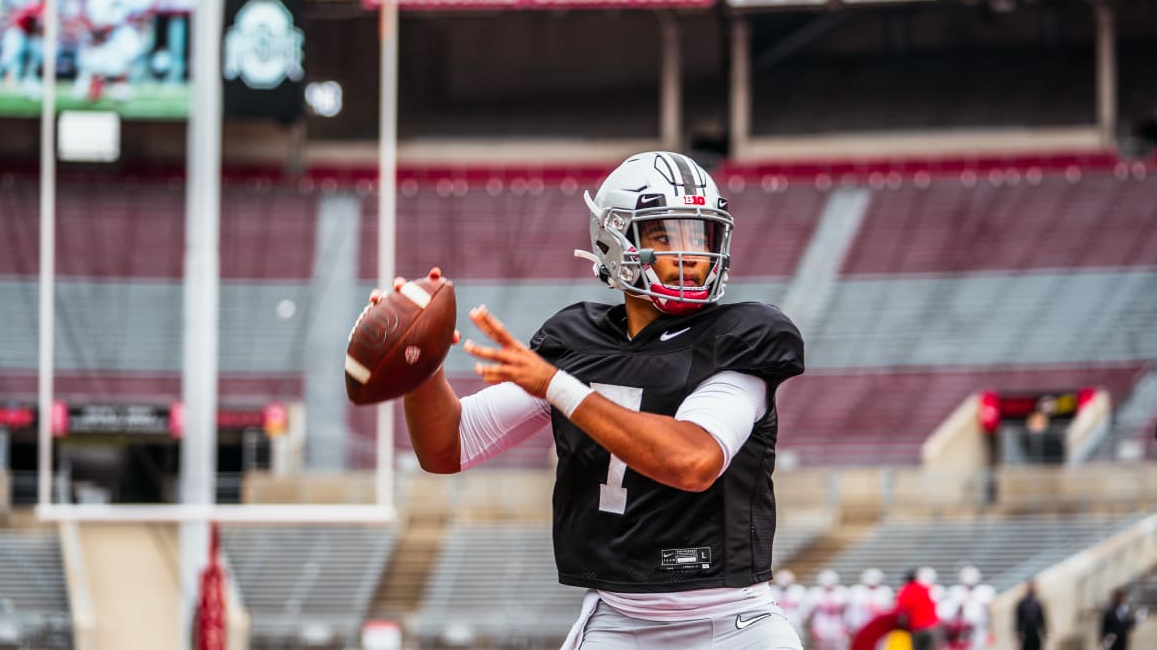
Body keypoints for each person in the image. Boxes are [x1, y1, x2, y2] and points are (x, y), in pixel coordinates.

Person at [368, 151, 806, 649]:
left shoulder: (744, 336)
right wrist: (420, 363)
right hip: (618, 623)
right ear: (612, 241)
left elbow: (694, 460)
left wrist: (556, 385)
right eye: (664, 235)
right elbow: (448, 446)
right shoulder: (577, 342)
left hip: (733, 625)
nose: (689, 255)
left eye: (699, 236)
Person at [896, 568, 942, 650]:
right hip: (932, 627)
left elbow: (901, 611)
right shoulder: (926, 589)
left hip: (917, 628)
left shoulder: (905, 591)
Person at [1014, 579, 1045, 650]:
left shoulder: (1037, 603)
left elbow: (1041, 618)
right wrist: (1018, 632)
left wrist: (1044, 630)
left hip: (1035, 633)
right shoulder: (1022, 603)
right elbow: (1018, 619)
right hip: (1026, 633)